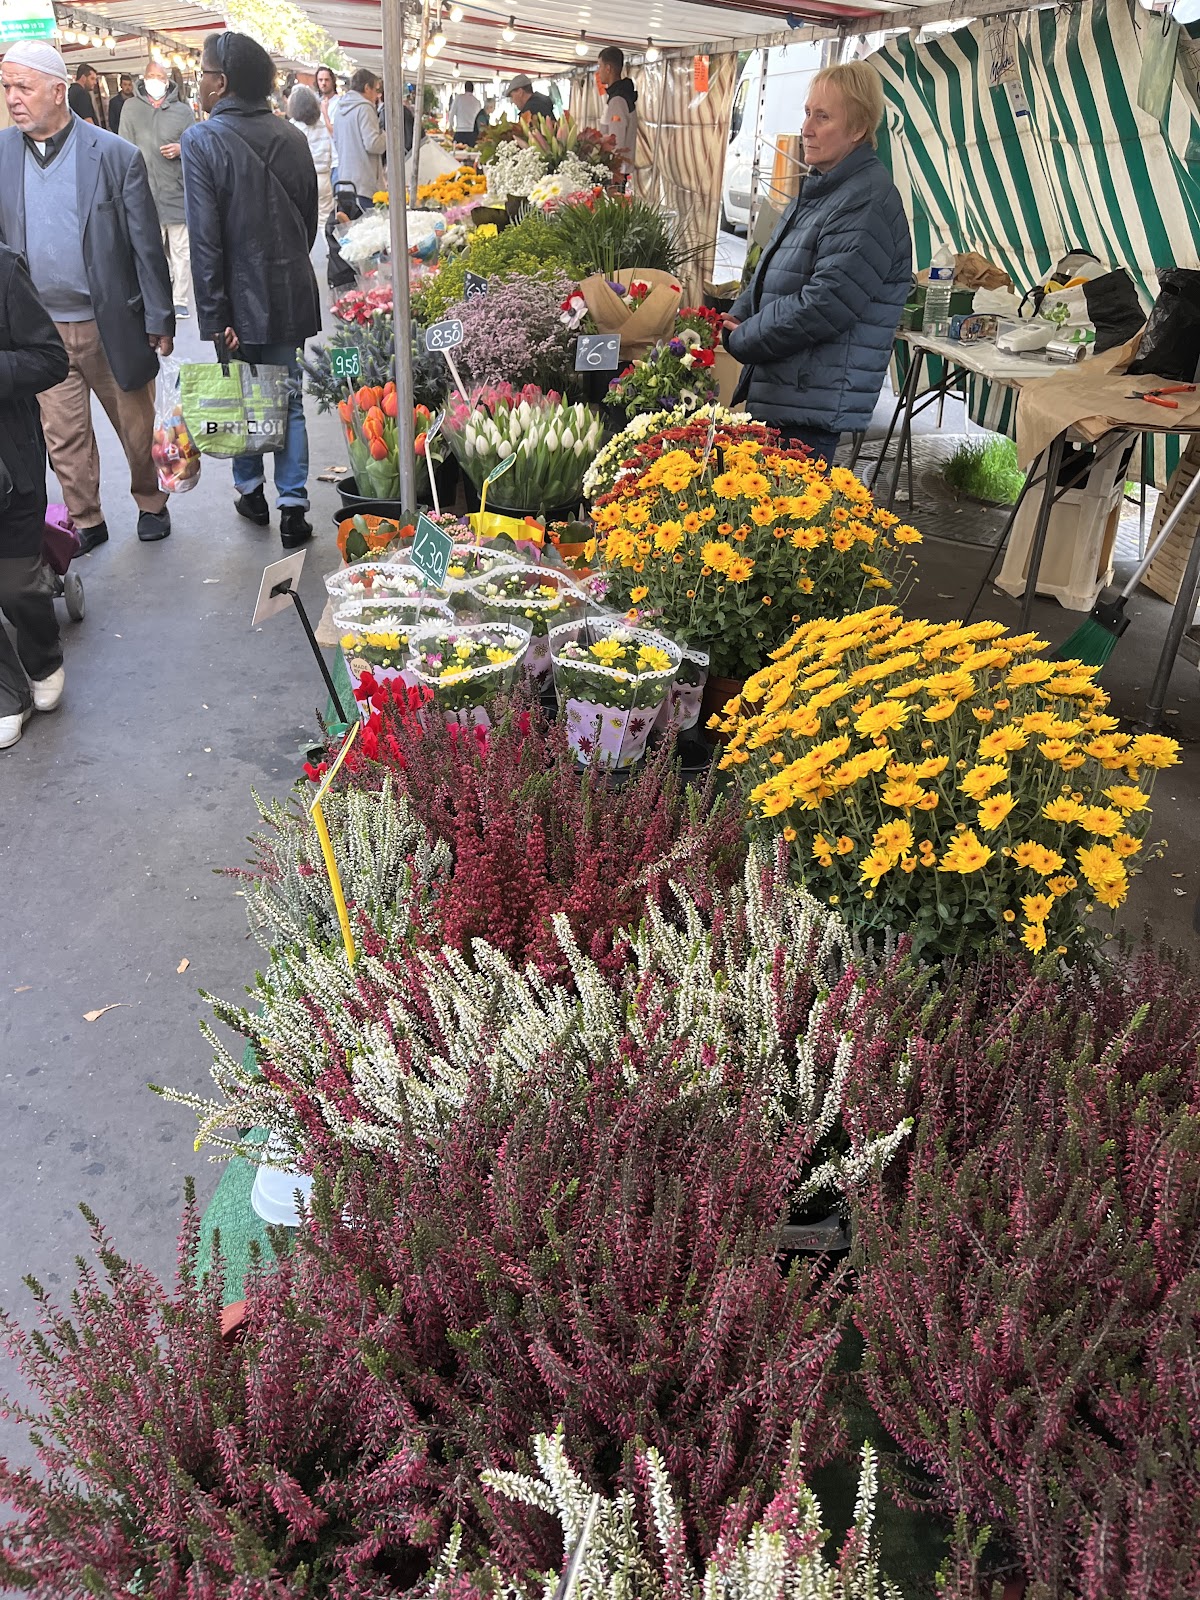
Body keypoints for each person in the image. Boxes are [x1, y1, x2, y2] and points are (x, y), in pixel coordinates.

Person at [0, 40, 174, 552]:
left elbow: (146, 245)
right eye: (7, 87)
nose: (12, 98)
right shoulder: (2, 154)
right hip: (41, 329)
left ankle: (151, 502)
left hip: (111, 321)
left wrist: (159, 318)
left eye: (23, 87)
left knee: (135, 424)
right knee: (63, 433)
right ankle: (86, 518)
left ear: (59, 91)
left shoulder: (114, 155)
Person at [722, 61, 912, 464]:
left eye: (822, 117)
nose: (806, 128)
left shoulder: (866, 200)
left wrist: (746, 335)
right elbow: (772, 267)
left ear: (857, 129)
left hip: (810, 401)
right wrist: (738, 314)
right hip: (789, 390)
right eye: (807, 112)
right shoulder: (825, 187)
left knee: (789, 502)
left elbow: (825, 302)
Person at [182, 31, 321, 548]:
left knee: (243, 398)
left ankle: (251, 494)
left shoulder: (201, 140)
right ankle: (294, 509)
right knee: (289, 401)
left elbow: (205, 241)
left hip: (237, 302)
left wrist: (216, 317)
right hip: (290, 290)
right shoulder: (294, 137)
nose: (199, 83)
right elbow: (307, 223)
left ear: (221, 82)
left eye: (202, 74)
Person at [0, 243, 69, 749]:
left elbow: (50, 359)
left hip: (9, 465)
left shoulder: (4, 268)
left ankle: (42, 657)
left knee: (17, 586)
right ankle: (8, 694)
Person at [118, 59, 196, 321]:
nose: (156, 81)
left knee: (182, 249)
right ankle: (160, 295)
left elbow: (195, 146)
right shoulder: (130, 109)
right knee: (152, 249)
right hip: (145, 193)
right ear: (143, 78)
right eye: (151, 76)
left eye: (160, 77)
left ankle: (180, 299)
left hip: (176, 191)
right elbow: (122, 147)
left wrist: (181, 148)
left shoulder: (183, 112)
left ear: (167, 80)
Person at [333, 68, 387, 210]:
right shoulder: (365, 108)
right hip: (365, 185)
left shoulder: (340, 109)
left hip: (345, 182)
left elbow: (336, 142)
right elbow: (373, 144)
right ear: (367, 88)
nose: (377, 95)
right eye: (375, 90)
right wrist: (386, 136)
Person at [288, 84, 334, 228]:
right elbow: (332, 153)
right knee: (325, 221)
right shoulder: (322, 126)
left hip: (302, 181)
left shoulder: (291, 127)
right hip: (324, 178)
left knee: (304, 222)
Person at [596, 47, 637, 177]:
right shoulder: (617, 96)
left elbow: (616, 141)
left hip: (616, 172)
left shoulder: (618, 100)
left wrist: (612, 171)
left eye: (600, 66)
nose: (598, 71)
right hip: (616, 170)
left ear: (608, 68)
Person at [448, 79, 481, 146]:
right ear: (473, 89)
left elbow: (452, 113)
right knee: (470, 151)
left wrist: (450, 127)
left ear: (465, 88)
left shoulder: (459, 98)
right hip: (472, 132)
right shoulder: (477, 102)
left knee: (456, 150)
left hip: (460, 131)